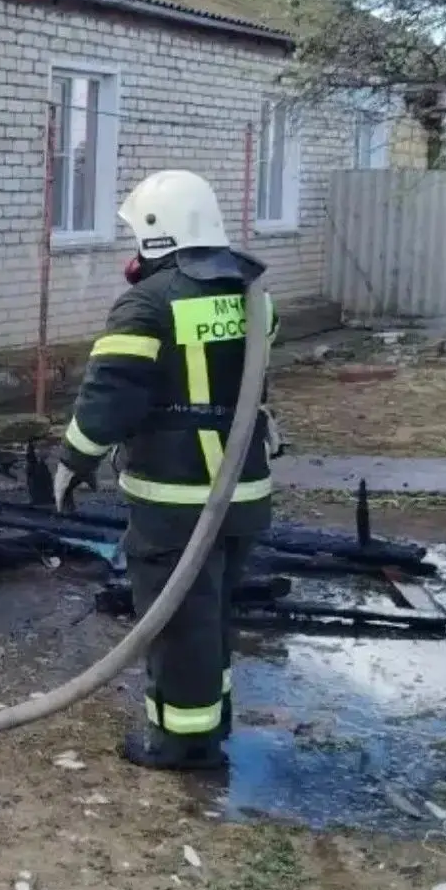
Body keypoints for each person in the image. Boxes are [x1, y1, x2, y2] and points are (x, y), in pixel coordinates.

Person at [51, 169, 282, 771]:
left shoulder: (148, 304)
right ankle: (210, 722)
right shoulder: (253, 294)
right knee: (212, 613)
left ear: (157, 232)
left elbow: (108, 398)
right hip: (244, 490)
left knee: (179, 621)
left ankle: (180, 742)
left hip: (178, 498)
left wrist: (73, 460)